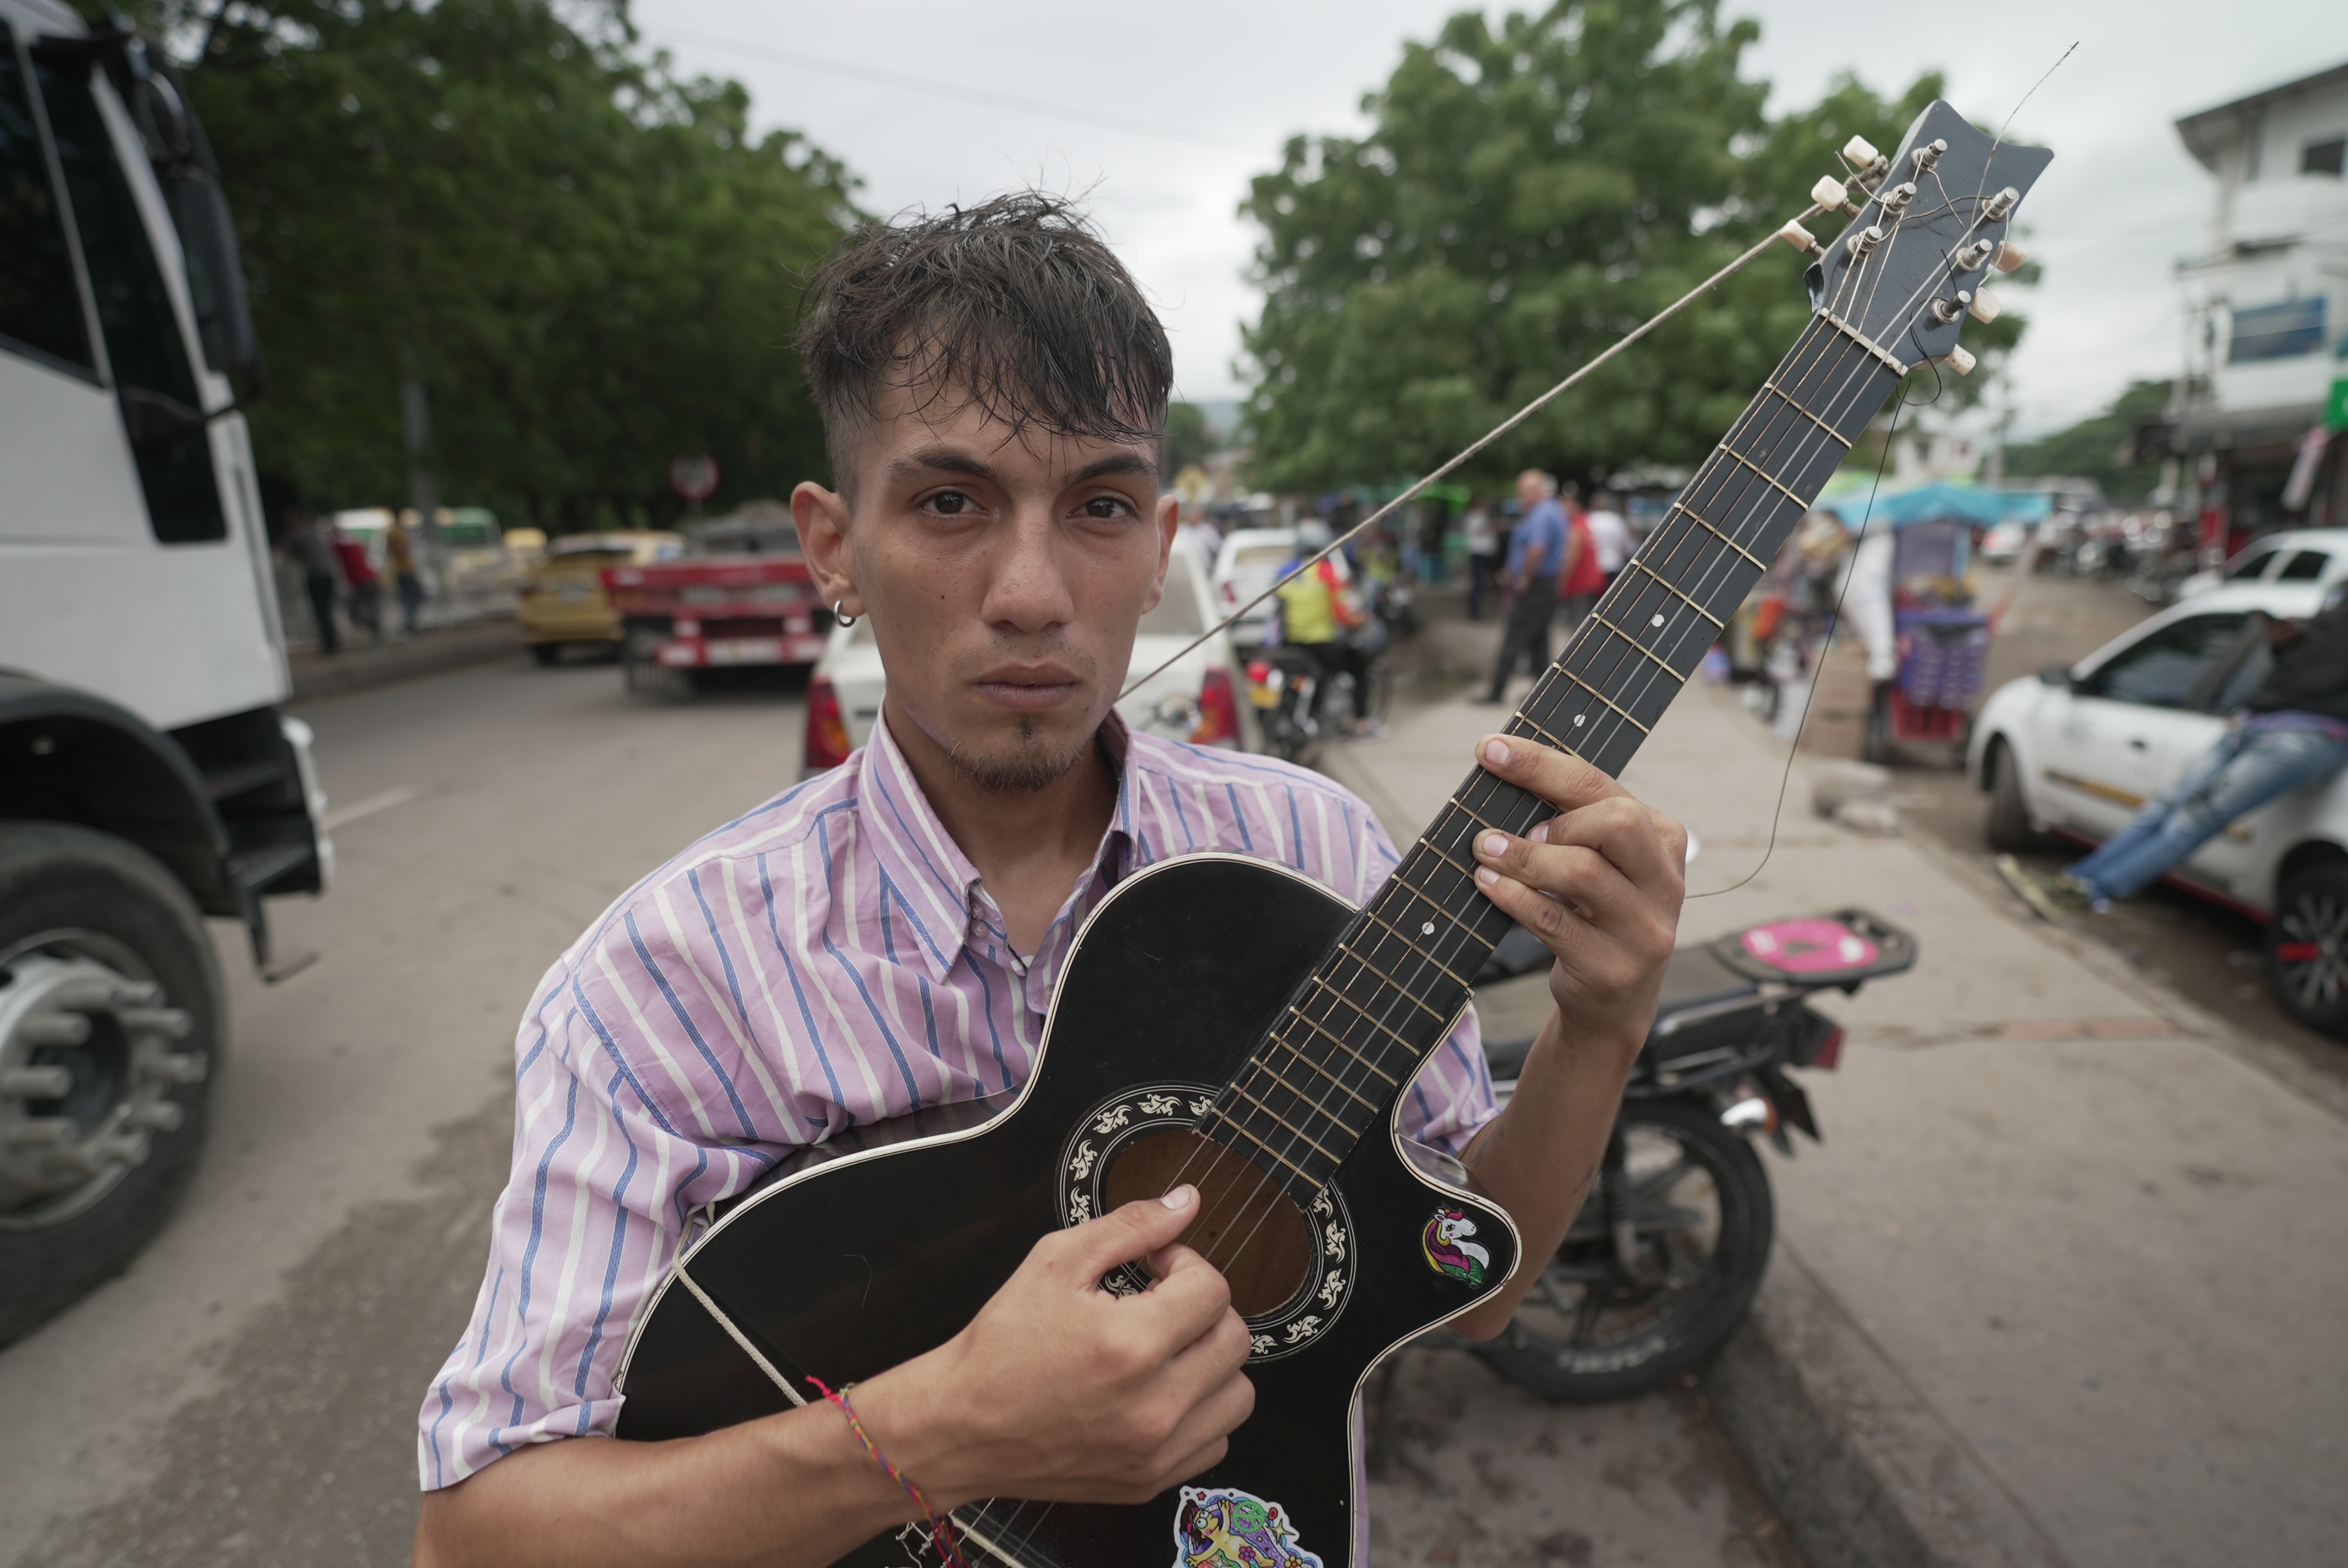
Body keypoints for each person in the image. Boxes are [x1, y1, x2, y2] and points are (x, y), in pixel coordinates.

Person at [411, 193, 1687, 1568]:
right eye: (949, 502)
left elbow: (1467, 1289)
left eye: (1100, 506)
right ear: (833, 545)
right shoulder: (664, 985)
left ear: (1158, 543)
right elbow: (472, 1535)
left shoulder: (1312, 854)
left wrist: (1598, 1025)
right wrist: (944, 1432)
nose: (1030, 591)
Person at [2001, 595, 2348, 921]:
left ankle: (2089, 892)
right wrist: (2286, 642)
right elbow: (2310, 667)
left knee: (2194, 819)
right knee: (2164, 807)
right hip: (2256, 721)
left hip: (2308, 736)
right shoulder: (2338, 600)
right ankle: (2074, 881)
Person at [1271, 518, 1374, 735]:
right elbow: (1342, 613)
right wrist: (1360, 620)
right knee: (1359, 669)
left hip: (1288, 642)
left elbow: (1277, 607)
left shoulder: (1285, 570)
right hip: (1319, 643)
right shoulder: (1327, 573)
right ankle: (1362, 721)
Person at [1478, 468, 1567, 704]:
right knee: (1539, 640)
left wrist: (1524, 579)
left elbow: (1537, 549)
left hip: (1536, 584)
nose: (1520, 497)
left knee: (1515, 637)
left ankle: (1497, 691)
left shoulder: (1542, 514)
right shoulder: (1549, 512)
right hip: (1543, 583)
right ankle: (1543, 695)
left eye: (1523, 492)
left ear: (1536, 490)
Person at [281, 508, 340, 655]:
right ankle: (333, 641)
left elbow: (285, 551)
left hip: (316, 576)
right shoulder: (315, 533)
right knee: (327, 609)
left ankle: (329, 644)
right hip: (328, 574)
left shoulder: (298, 534)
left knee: (321, 610)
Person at [1555, 487, 1607, 632]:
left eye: (1564, 504)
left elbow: (1571, 558)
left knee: (1578, 628)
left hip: (1580, 585)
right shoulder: (1585, 521)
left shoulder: (1576, 526)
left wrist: (1561, 583)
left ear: (1574, 505)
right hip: (1590, 583)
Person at [331, 522, 383, 644]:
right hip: (369, 580)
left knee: (356, 612)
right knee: (370, 609)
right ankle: (378, 633)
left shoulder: (339, 545)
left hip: (362, 582)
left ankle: (378, 632)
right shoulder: (354, 542)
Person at [1584, 492, 1633, 595]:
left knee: (1594, 599)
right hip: (1613, 564)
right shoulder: (1616, 520)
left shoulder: (1588, 520)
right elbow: (1626, 544)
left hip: (1594, 566)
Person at [385, 513, 426, 636]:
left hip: (402, 570)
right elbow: (402, 550)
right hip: (405, 571)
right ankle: (409, 627)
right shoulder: (397, 536)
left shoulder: (393, 535)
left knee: (409, 599)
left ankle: (410, 626)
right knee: (412, 599)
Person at [1461, 496, 1500, 620]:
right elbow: (1479, 530)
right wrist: (1493, 527)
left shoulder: (1483, 517)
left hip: (1484, 555)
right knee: (1478, 583)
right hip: (1479, 554)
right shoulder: (1474, 517)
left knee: (1482, 583)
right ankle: (1474, 612)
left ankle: (1477, 610)